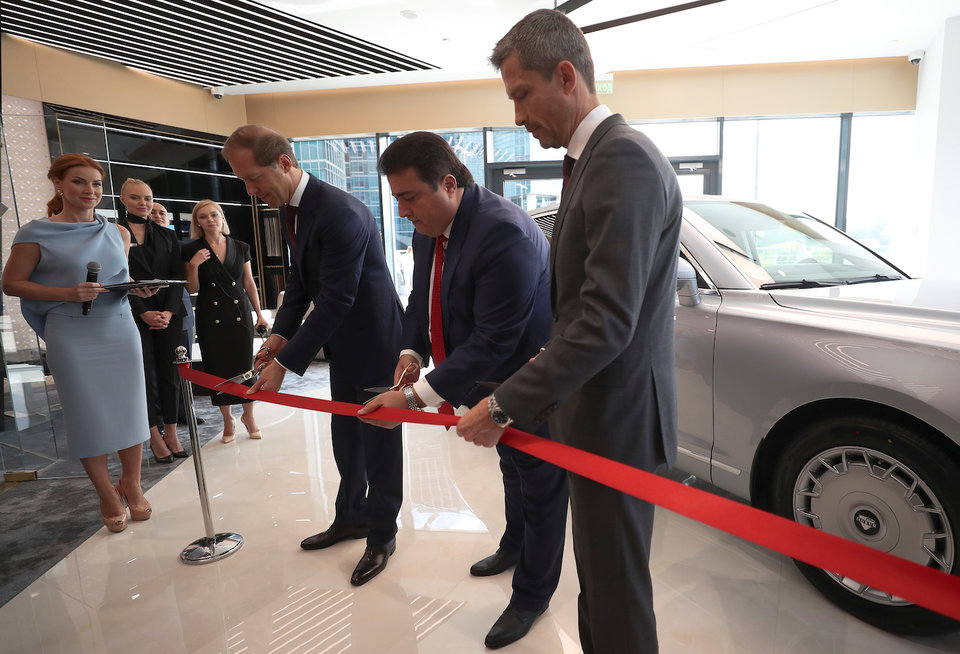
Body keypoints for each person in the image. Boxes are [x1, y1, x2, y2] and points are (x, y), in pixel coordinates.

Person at [456, 9, 683, 654]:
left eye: (522, 94)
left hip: (618, 419)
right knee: (602, 581)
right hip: (599, 413)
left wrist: (504, 403)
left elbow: (605, 320)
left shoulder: (622, 159)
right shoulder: (594, 158)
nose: (517, 116)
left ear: (565, 76)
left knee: (615, 590)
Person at [358, 131, 569, 649]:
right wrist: (412, 353)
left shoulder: (504, 232)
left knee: (542, 485)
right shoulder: (431, 227)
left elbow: (496, 339)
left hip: (526, 382)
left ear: (448, 184)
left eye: (410, 197)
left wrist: (413, 399)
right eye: (397, 199)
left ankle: (532, 596)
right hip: (481, 377)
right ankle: (515, 545)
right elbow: (421, 296)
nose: (403, 211)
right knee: (512, 469)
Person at [222, 124, 404, 587]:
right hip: (342, 340)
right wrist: (279, 336)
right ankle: (351, 516)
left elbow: (339, 297)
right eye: (243, 182)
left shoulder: (340, 212)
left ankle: (382, 535)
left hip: (374, 340)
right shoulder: (293, 209)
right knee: (346, 435)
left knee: (379, 441)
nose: (251, 191)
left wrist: (285, 365)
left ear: (284, 163)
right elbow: (301, 281)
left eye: (254, 178)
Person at [2, 154, 157, 532]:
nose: (90, 190)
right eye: (79, 182)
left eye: (97, 184)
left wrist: (137, 289)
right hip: (71, 333)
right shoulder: (35, 232)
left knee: (130, 407)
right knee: (86, 413)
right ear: (58, 183)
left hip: (119, 328)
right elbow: (11, 284)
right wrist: (67, 293)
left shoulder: (118, 233)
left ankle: (132, 483)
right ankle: (106, 492)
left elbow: (118, 280)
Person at [182, 199, 268, 442]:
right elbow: (191, 288)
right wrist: (194, 264)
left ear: (222, 217)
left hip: (239, 313)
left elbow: (248, 282)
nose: (210, 219)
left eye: (214, 214)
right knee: (217, 368)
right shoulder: (191, 249)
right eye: (203, 216)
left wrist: (259, 313)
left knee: (245, 366)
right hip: (211, 316)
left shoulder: (240, 246)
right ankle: (227, 419)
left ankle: (248, 416)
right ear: (197, 222)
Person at [118, 179, 187, 462]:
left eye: (147, 198)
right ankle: (153, 436)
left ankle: (171, 432)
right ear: (123, 200)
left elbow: (178, 277)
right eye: (135, 198)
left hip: (168, 314)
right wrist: (142, 310)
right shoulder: (115, 233)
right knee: (144, 376)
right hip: (133, 314)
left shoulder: (167, 235)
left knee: (171, 375)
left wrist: (169, 312)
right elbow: (116, 276)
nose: (143, 203)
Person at [151, 202, 203, 427]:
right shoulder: (139, 246)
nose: (157, 215)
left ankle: (184, 410)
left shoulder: (181, 247)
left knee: (183, 364)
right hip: (152, 312)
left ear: (169, 220)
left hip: (181, 312)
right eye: (152, 212)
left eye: (161, 213)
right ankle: (162, 416)